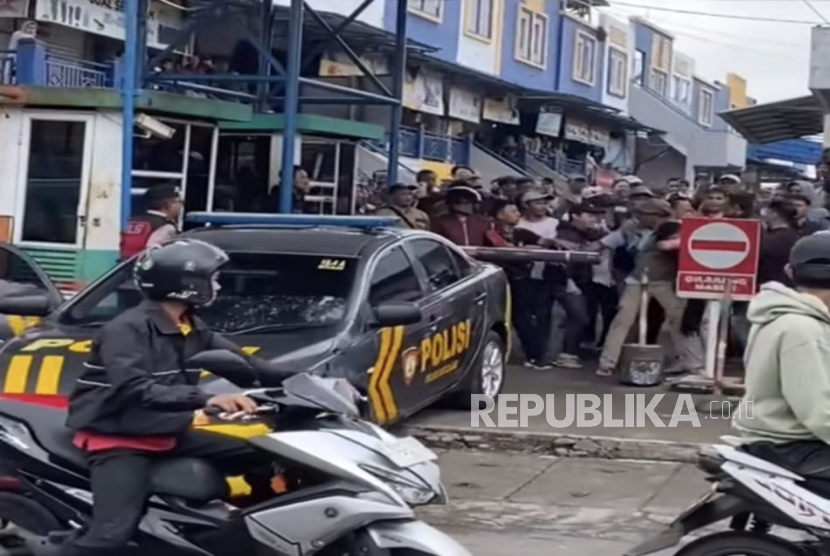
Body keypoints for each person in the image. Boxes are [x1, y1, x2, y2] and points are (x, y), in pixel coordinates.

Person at [58, 239, 290, 556]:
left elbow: (249, 367)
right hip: (119, 437)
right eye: (214, 278)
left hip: (165, 428)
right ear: (187, 285)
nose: (219, 285)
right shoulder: (126, 329)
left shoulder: (190, 326)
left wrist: (315, 385)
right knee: (110, 536)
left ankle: (258, 529)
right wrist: (206, 398)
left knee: (265, 453)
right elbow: (135, 389)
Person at [733, 233, 830, 478]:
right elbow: (819, 413)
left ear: (789, 271)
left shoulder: (778, 315)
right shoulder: (803, 329)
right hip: (791, 445)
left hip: (772, 439)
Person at [597, 199, 703, 377]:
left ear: (656, 215)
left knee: (680, 320)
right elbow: (607, 242)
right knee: (622, 319)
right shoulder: (631, 229)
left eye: (642, 215)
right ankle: (608, 362)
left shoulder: (674, 227)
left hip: (664, 280)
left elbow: (688, 242)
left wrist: (672, 243)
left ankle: (693, 362)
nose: (637, 218)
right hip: (638, 278)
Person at [120, 185, 183, 259]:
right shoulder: (166, 227)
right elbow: (156, 254)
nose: (181, 206)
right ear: (169, 205)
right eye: (179, 202)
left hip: (120, 266)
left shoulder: (131, 220)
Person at [757, 199, 799, 288]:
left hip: (765, 286)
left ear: (774, 214)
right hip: (792, 287)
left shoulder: (764, 240)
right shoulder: (799, 238)